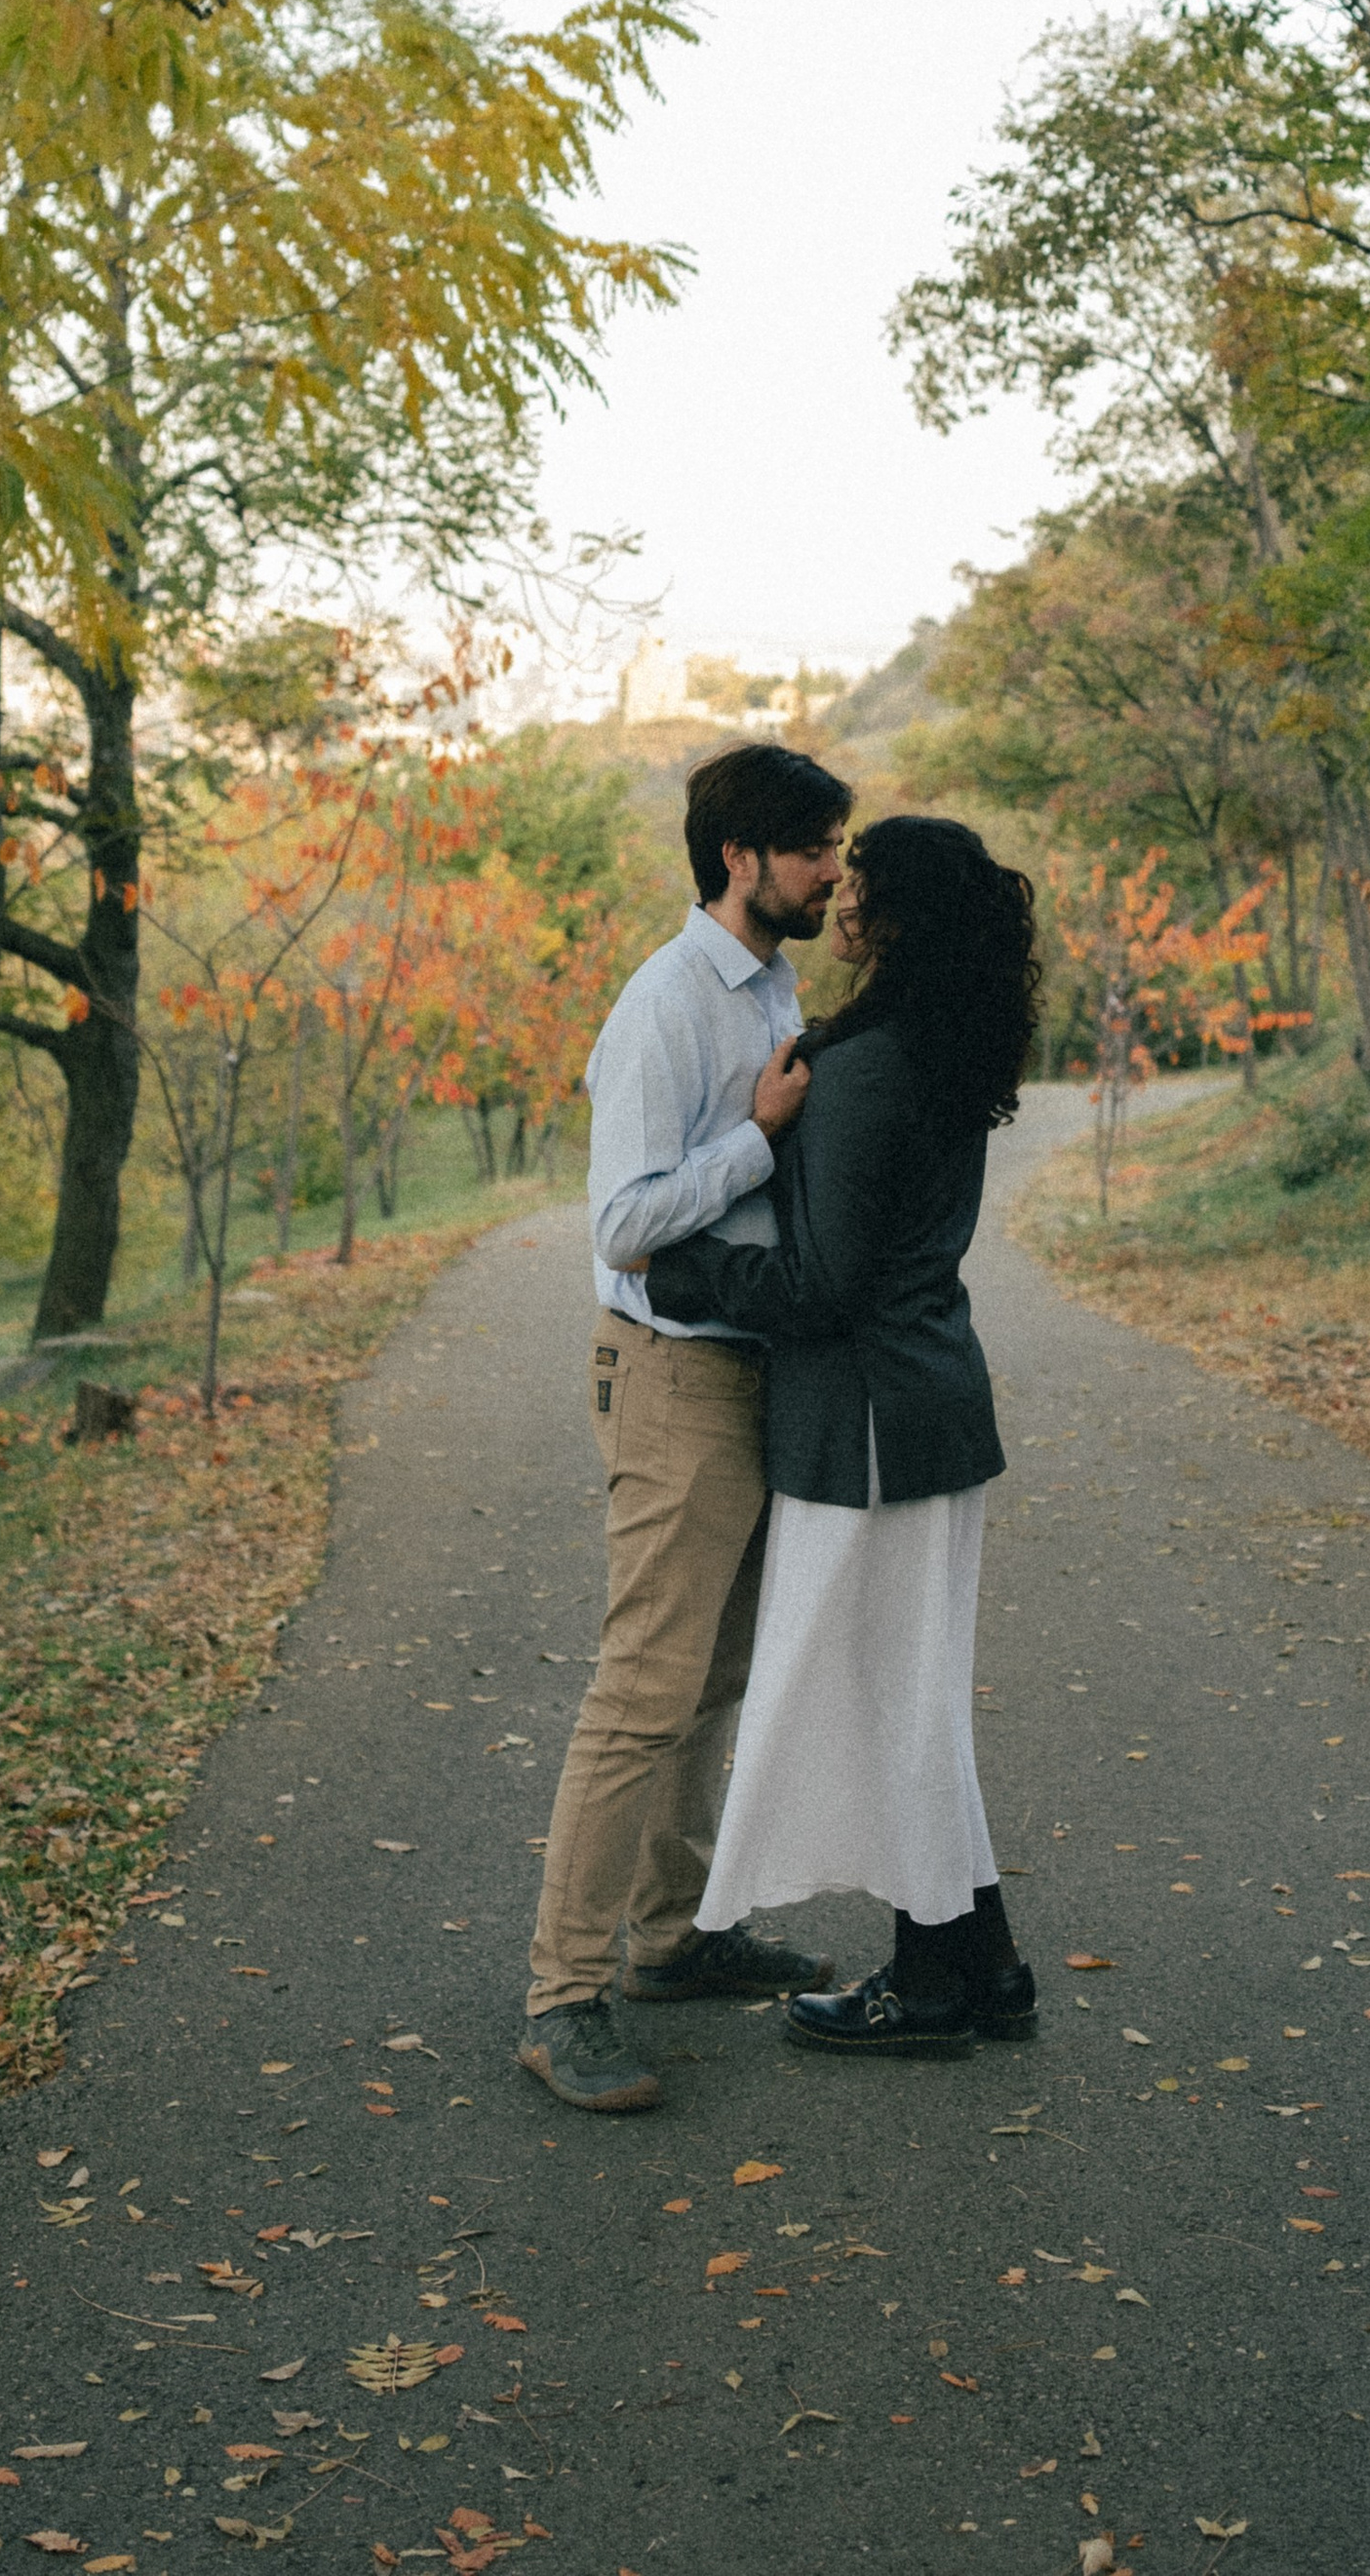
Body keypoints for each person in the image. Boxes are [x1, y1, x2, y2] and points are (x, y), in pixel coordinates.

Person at [640, 812, 1041, 2055]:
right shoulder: (930, 1041)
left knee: (886, 1707)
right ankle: (982, 1965)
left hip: (870, 1423)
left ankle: (926, 1985)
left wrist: (684, 1267)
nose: (844, 892)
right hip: (921, 1409)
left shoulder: (869, 1068)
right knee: (909, 1698)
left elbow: (822, 1287)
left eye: (861, 880)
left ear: (899, 916)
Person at [517, 738, 856, 2116]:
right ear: (740, 857)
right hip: (669, 1371)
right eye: (813, 847)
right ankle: (561, 1998)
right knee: (642, 1689)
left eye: (837, 846)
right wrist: (761, 1139)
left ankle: (670, 1939)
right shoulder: (663, 1006)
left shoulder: (770, 979)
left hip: (747, 1362)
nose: (835, 870)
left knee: (712, 1679)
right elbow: (621, 1223)